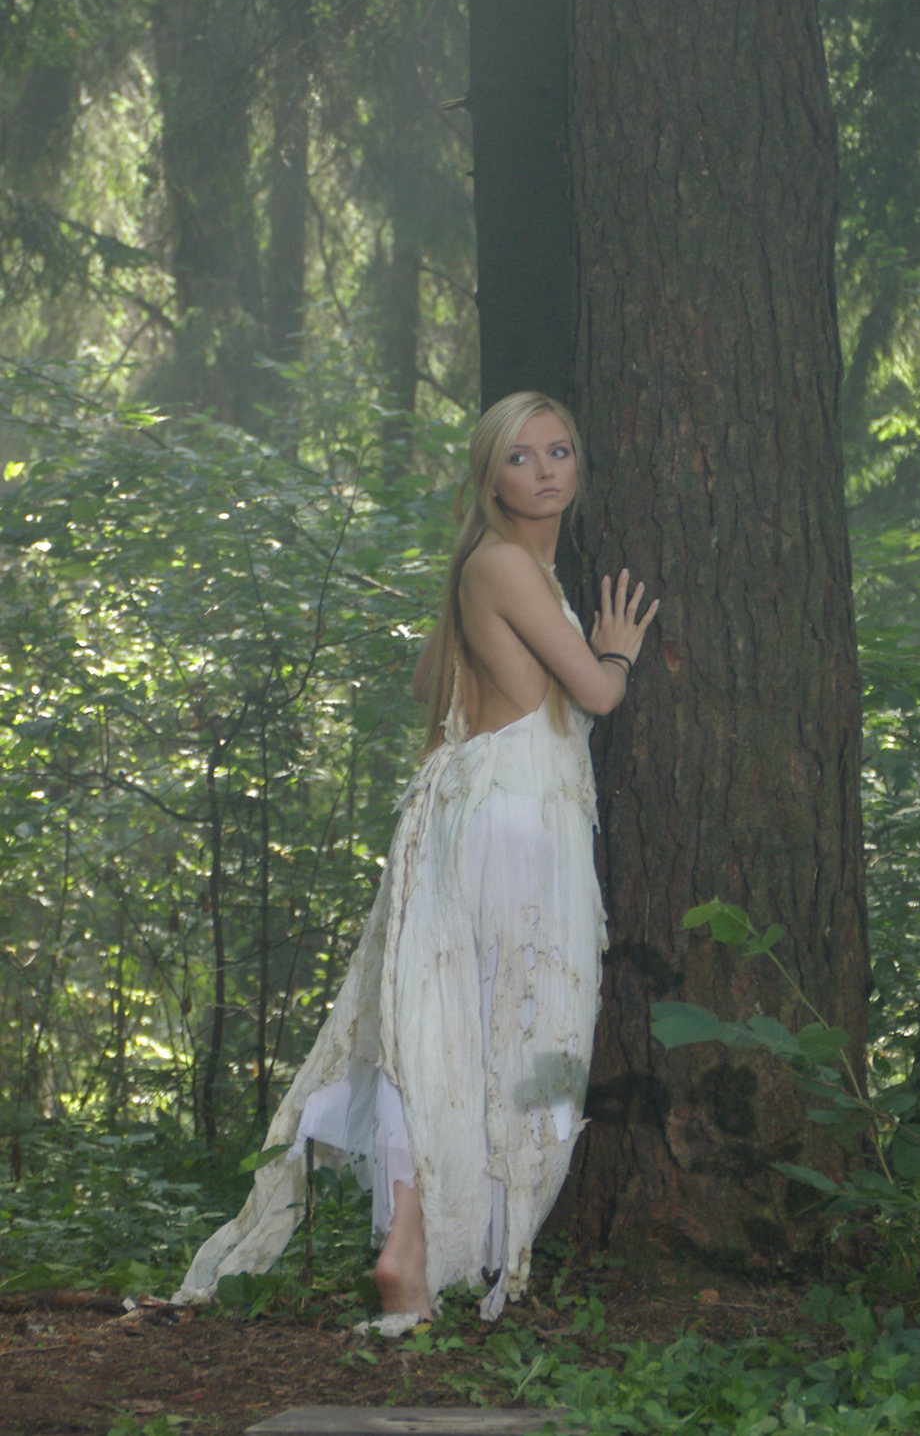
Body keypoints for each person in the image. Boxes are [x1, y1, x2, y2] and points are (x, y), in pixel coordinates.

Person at [173, 392, 658, 1327]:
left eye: (559, 451)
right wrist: (618, 653)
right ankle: (422, 1246)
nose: (545, 471)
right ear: (490, 477)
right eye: (521, 457)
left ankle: (410, 1249)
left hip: (467, 814)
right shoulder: (506, 564)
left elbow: (430, 683)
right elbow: (596, 695)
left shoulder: (481, 570)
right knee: (512, 1033)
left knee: (439, 1030)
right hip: (518, 820)